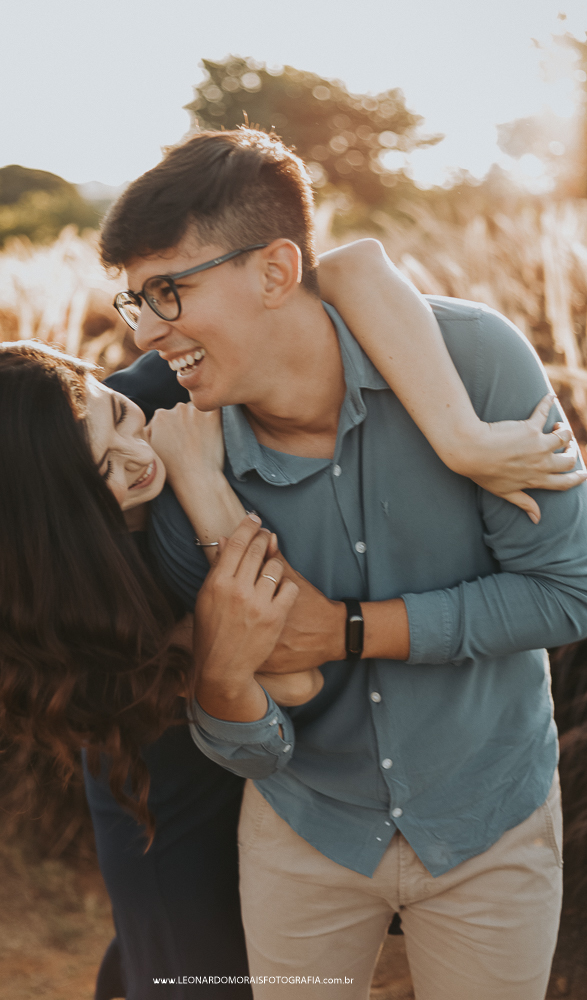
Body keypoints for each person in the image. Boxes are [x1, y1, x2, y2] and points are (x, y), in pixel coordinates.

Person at [98, 127, 587, 1000]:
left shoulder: (474, 362)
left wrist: (353, 629)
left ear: (277, 272)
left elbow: (567, 592)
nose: (146, 330)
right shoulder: (171, 454)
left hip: (492, 817)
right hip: (302, 830)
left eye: (168, 291)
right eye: (134, 300)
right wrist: (231, 678)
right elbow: (255, 707)